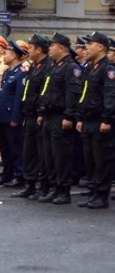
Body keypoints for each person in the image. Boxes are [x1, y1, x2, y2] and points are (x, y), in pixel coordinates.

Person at [34, 33, 81, 204]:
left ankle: (63, 190)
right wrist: (41, 112)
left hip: (61, 116)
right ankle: (53, 187)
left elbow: (72, 94)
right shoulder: (53, 66)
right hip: (49, 115)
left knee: (61, 156)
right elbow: (46, 91)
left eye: (52, 46)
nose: (49, 49)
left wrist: (69, 116)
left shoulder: (70, 67)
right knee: (50, 156)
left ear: (61, 48)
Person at [76, 31, 114, 209]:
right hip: (88, 120)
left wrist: (108, 119)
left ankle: (101, 195)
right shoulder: (91, 68)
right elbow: (85, 95)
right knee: (90, 159)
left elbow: (110, 95)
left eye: (89, 44)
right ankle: (93, 191)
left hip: (100, 121)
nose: (86, 48)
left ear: (101, 47)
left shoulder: (108, 69)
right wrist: (81, 117)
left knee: (102, 160)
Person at [12, 34, 52, 200]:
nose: (28, 50)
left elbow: (45, 92)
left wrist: (41, 112)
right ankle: (29, 185)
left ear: (39, 50)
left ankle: (43, 186)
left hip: (39, 115)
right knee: (29, 151)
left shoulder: (48, 67)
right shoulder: (33, 66)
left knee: (42, 154)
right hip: (29, 114)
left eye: (31, 47)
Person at [0, 39, 28, 188]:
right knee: (5, 147)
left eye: (7, 53)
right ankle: (7, 173)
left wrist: (16, 117)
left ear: (14, 55)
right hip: (3, 116)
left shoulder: (21, 73)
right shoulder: (9, 72)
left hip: (11, 117)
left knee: (15, 148)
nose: (4, 56)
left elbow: (19, 98)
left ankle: (19, 175)